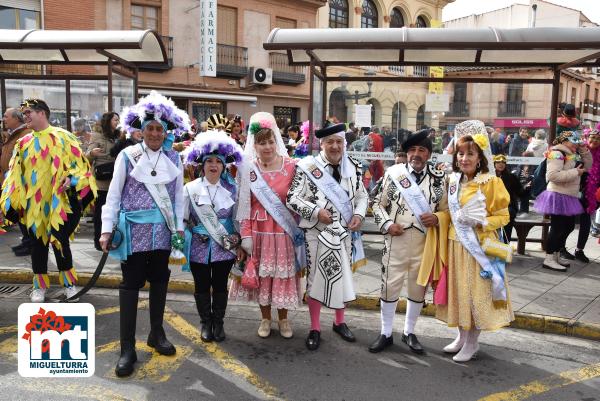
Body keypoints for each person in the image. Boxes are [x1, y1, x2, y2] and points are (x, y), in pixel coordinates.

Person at [100, 90, 190, 377]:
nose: (154, 133)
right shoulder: (128, 156)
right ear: (142, 130)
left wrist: (178, 230)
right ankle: (127, 348)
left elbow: (178, 199)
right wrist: (105, 230)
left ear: (166, 132)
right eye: (149, 128)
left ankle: (156, 334)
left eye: (159, 129)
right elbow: (113, 196)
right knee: (130, 285)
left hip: (162, 233)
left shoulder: (174, 160)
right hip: (133, 233)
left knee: (160, 281)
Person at [424, 120, 514, 363]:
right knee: (460, 292)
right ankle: (462, 336)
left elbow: (504, 217)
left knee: (476, 294)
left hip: (480, 248)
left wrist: (482, 222)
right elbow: (447, 213)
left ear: (480, 157)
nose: (464, 158)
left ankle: (473, 342)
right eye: (460, 154)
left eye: (470, 154)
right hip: (455, 246)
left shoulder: (491, 183)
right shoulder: (453, 181)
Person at [1, 99, 97, 302]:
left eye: (28, 113)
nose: (25, 117)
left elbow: (81, 168)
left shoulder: (63, 137)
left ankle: (69, 285)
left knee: (60, 243)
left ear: (42, 113)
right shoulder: (23, 143)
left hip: (58, 204)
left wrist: (71, 179)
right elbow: (15, 175)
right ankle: (39, 286)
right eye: (23, 113)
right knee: (37, 246)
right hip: (33, 207)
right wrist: (9, 201)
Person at [287, 122, 368, 351]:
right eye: (329, 142)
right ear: (321, 144)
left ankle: (339, 322)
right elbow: (292, 198)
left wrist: (359, 215)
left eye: (339, 141)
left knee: (341, 276)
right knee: (315, 279)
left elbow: (362, 196)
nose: (335, 146)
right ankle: (315, 327)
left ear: (344, 143)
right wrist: (315, 212)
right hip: (316, 232)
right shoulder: (306, 166)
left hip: (344, 232)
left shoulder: (354, 167)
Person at [369, 129, 448, 354]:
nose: (416, 154)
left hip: (425, 242)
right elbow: (376, 203)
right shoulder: (393, 174)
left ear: (429, 154)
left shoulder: (440, 179)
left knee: (417, 287)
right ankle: (385, 333)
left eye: (421, 150)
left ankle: (409, 332)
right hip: (396, 240)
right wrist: (386, 224)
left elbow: (448, 211)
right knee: (389, 286)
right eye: (412, 150)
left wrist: (437, 218)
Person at [229, 112, 304, 339]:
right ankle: (265, 318)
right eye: (262, 142)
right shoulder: (247, 169)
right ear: (254, 144)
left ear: (277, 142)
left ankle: (283, 319)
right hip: (258, 234)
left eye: (271, 141)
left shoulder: (293, 166)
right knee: (262, 278)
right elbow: (242, 206)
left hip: (283, 233)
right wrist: (245, 236)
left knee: (281, 277)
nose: (267, 147)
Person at [182, 131, 244, 342]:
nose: (214, 165)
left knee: (219, 284)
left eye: (219, 161)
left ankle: (218, 322)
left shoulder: (233, 189)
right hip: (198, 246)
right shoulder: (190, 188)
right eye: (210, 161)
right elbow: (183, 218)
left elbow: (238, 220)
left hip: (224, 246)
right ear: (202, 164)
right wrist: (186, 235)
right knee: (201, 284)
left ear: (224, 165)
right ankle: (205, 323)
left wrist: (239, 240)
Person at [534, 131, 592, 271]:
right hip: (558, 195)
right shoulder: (557, 153)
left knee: (568, 226)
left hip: (569, 195)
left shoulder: (571, 153)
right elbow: (552, 176)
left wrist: (584, 150)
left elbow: (588, 166)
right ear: (565, 140)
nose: (576, 143)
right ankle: (548, 258)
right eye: (574, 141)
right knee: (558, 228)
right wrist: (575, 173)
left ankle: (556, 254)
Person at [1, 107, 32, 256]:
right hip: (11, 179)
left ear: (16, 119)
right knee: (19, 213)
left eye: (6, 117)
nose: (3, 119)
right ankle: (27, 241)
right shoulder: (13, 134)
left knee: (23, 213)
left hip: (21, 182)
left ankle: (30, 243)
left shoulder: (25, 134)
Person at [87, 112, 119, 251]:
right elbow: (87, 157)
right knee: (100, 213)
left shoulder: (119, 136)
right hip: (101, 182)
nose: (117, 122)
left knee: (114, 213)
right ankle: (98, 241)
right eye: (115, 119)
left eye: (118, 120)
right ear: (108, 121)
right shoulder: (97, 135)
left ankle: (111, 239)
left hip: (115, 179)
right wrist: (92, 153)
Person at [573, 130, 600, 262]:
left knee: (585, 222)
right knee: (566, 222)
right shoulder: (579, 151)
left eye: (597, 139)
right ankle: (559, 248)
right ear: (587, 137)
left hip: (590, 194)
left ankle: (579, 250)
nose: (594, 140)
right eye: (592, 137)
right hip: (572, 191)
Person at [493, 154, 521, 241]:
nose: (501, 164)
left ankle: (505, 245)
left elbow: (520, 192)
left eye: (503, 162)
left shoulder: (511, 177)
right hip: (492, 207)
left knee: (509, 214)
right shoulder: (489, 177)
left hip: (508, 207)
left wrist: (527, 187)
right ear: (494, 164)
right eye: (498, 162)